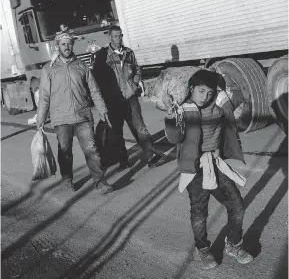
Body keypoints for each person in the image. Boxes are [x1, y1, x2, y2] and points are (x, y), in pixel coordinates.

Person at [164, 70, 253, 269]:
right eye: (201, 91)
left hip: (215, 162)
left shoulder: (220, 104)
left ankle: (233, 244)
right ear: (191, 89)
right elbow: (174, 138)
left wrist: (223, 80)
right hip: (195, 168)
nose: (205, 97)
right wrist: (171, 116)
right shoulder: (184, 109)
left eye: (209, 93)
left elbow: (241, 95)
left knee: (237, 204)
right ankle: (202, 250)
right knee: (199, 213)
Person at [36, 32, 113, 194]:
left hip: (82, 115)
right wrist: (41, 117)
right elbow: (44, 96)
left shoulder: (81, 66)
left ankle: (100, 181)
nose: (67, 47)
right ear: (57, 46)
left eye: (69, 44)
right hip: (61, 118)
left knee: (92, 149)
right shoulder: (48, 69)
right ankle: (67, 179)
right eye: (63, 44)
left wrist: (102, 109)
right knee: (65, 151)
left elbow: (94, 89)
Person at [90, 25, 166, 171]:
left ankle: (151, 157)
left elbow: (137, 69)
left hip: (130, 98)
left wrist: (135, 82)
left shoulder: (129, 53)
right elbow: (96, 78)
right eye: (115, 36)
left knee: (140, 127)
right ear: (110, 38)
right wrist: (105, 95)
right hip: (113, 100)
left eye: (120, 36)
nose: (118, 39)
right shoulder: (102, 56)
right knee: (117, 132)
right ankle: (123, 161)